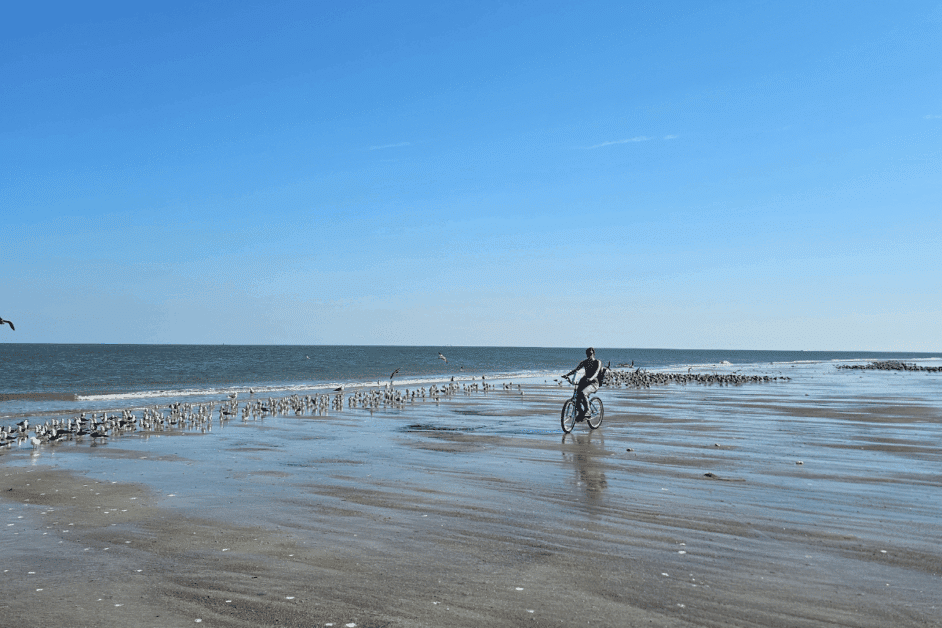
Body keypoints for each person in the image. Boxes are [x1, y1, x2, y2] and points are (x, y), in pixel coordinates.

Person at [563, 348, 603, 420]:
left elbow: (596, 372)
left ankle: (588, 411)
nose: (589, 355)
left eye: (590, 353)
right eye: (588, 354)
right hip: (585, 381)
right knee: (577, 396)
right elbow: (576, 370)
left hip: (594, 383)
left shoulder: (598, 362)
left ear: (593, 354)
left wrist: (591, 378)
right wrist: (567, 375)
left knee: (583, 393)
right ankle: (581, 413)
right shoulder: (584, 362)